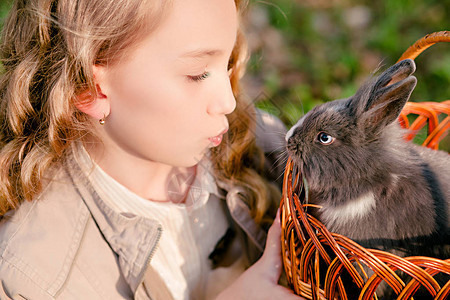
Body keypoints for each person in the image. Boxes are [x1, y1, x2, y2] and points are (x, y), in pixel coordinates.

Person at [0, 0, 304, 299]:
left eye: (227, 63)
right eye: (197, 73)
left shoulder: (264, 148)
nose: (229, 102)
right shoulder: (36, 279)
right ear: (89, 89)